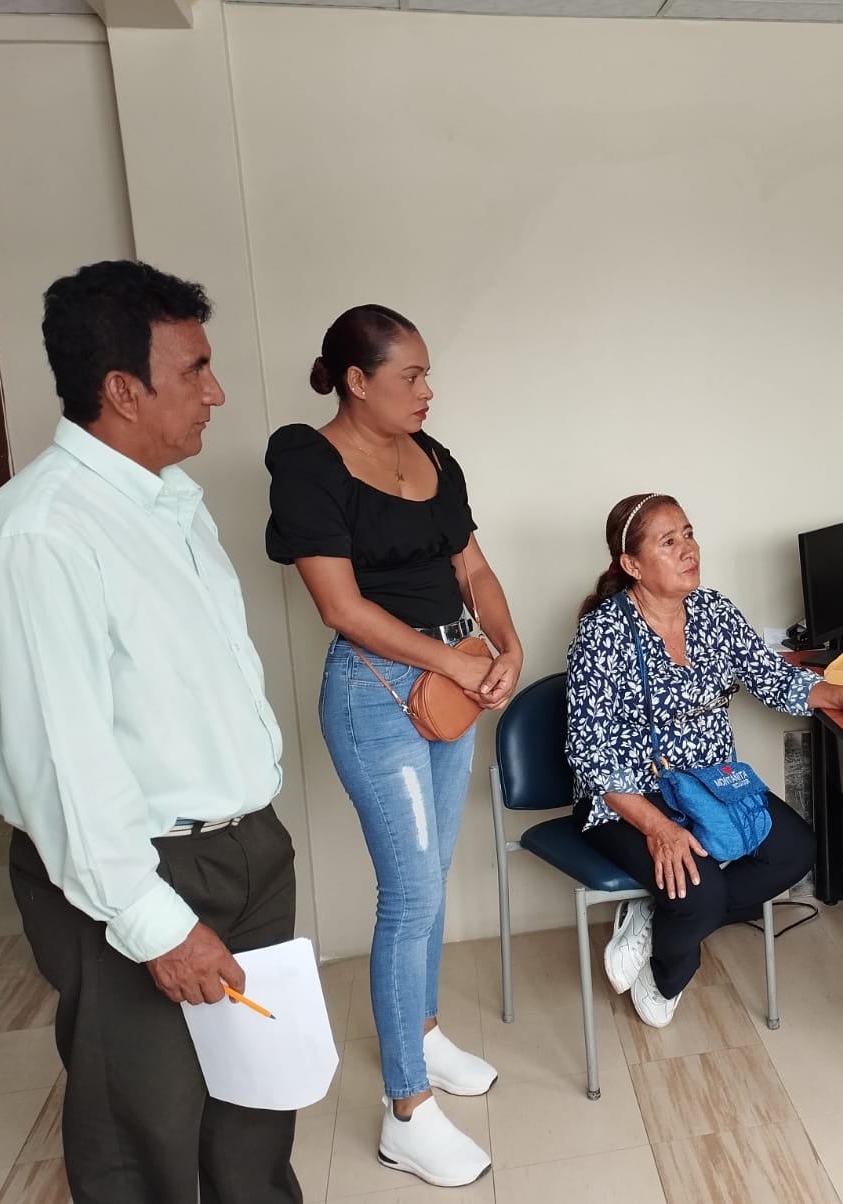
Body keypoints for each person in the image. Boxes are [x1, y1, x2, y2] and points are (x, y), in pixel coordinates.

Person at [0, 260, 299, 1204]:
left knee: (254, 1103)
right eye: (195, 370)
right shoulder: (39, 535)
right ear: (122, 389)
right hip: (132, 870)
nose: (215, 392)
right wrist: (154, 925)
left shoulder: (172, 506)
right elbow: (61, 761)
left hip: (246, 849)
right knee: (145, 1129)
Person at [265, 304, 521, 1189]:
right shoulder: (307, 462)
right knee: (409, 897)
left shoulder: (433, 454)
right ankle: (406, 1113)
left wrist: (507, 645)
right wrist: (452, 659)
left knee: (432, 877)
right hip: (375, 695)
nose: (426, 390)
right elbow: (340, 607)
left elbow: (472, 567)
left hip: (453, 683)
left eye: (426, 374)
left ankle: (423, 1033)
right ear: (355, 381)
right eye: (409, 375)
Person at [567, 493, 843, 1028]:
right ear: (632, 565)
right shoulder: (602, 634)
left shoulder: (713, 612)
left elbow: (773, 677)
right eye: (668, 542)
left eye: (689, 534)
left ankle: (652, 916)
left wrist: (842, 697)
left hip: (712, 784)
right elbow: (591, 757)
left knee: (794, 852)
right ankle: (667, 976)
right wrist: (659, 830)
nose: (689, 549)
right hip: (629, 797)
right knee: (700, 894)